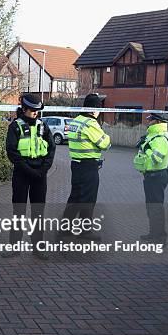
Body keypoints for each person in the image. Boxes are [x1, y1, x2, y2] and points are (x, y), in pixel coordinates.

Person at [5, 93, 56, 260]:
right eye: (33, 110)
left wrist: (43, 170)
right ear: (25, 109)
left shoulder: (43, 126)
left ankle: (38, 248)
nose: (35, 113)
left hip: (40, 174)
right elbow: (12, 152)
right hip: (22, 174)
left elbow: (51, 149)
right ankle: (14, 246)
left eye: (38, 110)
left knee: (38, 212)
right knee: (19, 211)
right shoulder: (15, 126)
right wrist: (29, 170)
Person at [62, 93, 111, 240]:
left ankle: (65, 228)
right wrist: (104, 135)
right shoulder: (90, 123)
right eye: (99, 108)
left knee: (75, 197)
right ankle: (85, 231)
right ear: (95, 108)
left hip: (76, 164)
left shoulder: (76, 121)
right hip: (88, 166)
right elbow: (106, 144)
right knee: (88, 199)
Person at [133, 113, 168, 243]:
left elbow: (156, 158)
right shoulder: (154, 136)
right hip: (151, 176)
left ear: (157, 122)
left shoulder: (161, 138)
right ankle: (154, 234)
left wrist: (146, 147)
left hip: (157, 176)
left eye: (151, 120)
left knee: (156, 207)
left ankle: (160, 238)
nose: (148, 122)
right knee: (152, 207)